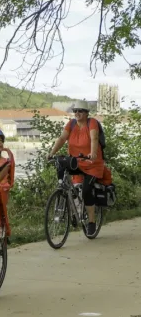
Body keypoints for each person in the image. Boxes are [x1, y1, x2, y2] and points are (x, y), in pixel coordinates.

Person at [48, 100, 105, 237]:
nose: (77, 113)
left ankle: (91, 222)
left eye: (80, 111)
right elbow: (62, 138)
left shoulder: (92, 123)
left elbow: (94, 138)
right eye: (75, 111)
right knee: (66, 180)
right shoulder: (71, 124)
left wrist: (93, 154)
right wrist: (51, 153)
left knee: (86, 190)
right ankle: (73, 210)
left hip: (92, 163)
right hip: (76, 162)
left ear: (86, 113)